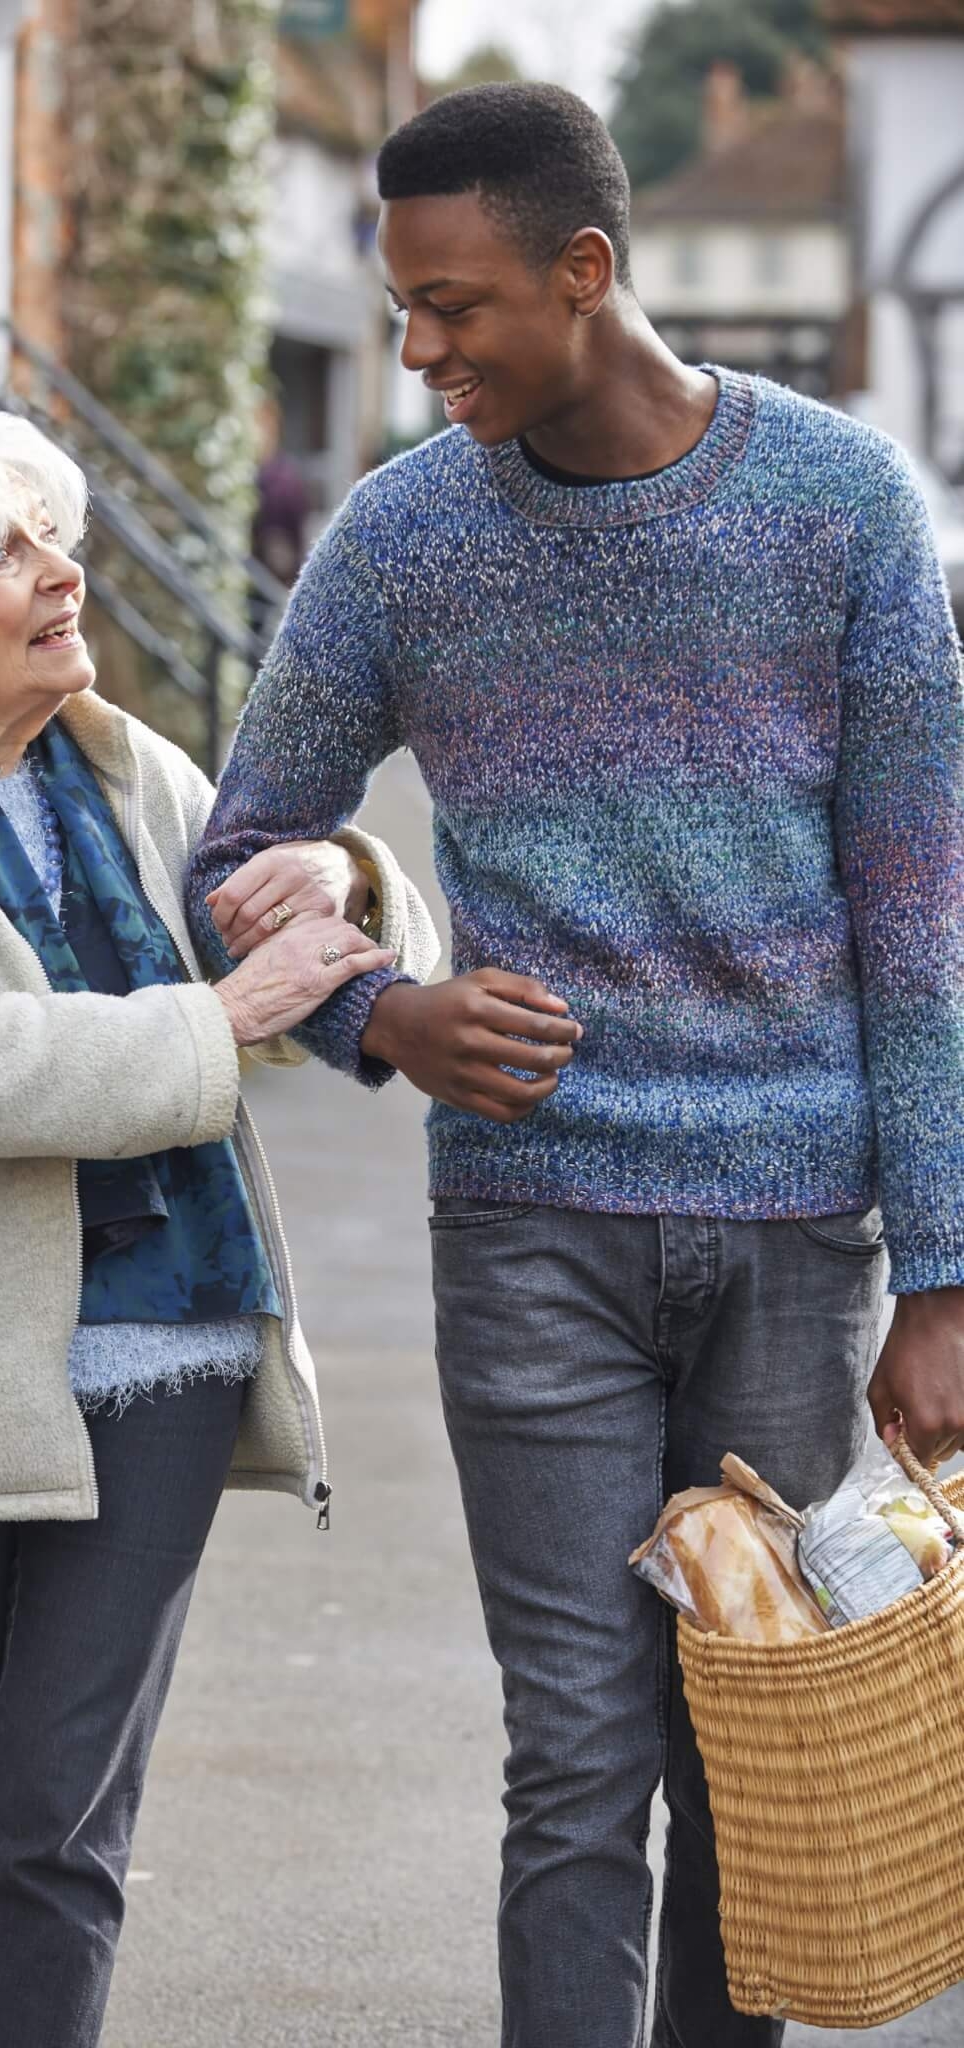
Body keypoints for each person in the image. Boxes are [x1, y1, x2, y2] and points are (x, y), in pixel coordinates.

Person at [188, 82, 964, 2048]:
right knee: (571, 1751)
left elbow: (918, 912)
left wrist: (943, 1267)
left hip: (795, 1237)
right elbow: (231, 850)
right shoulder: (397, 540)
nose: (418, 351)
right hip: (526, 1227)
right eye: (400, 314)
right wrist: (383, 1015)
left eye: (453, 307)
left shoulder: (843, 508)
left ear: (581, 269)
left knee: (745, 1733)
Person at [0, 410, 437, 2048]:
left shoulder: (133, 770)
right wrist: (219, 1014)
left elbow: (298, 953)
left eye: (56, 536)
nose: (64, 574)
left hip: (171, 1356)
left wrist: (341, 883)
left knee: (53, 1828)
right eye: (6, 551)